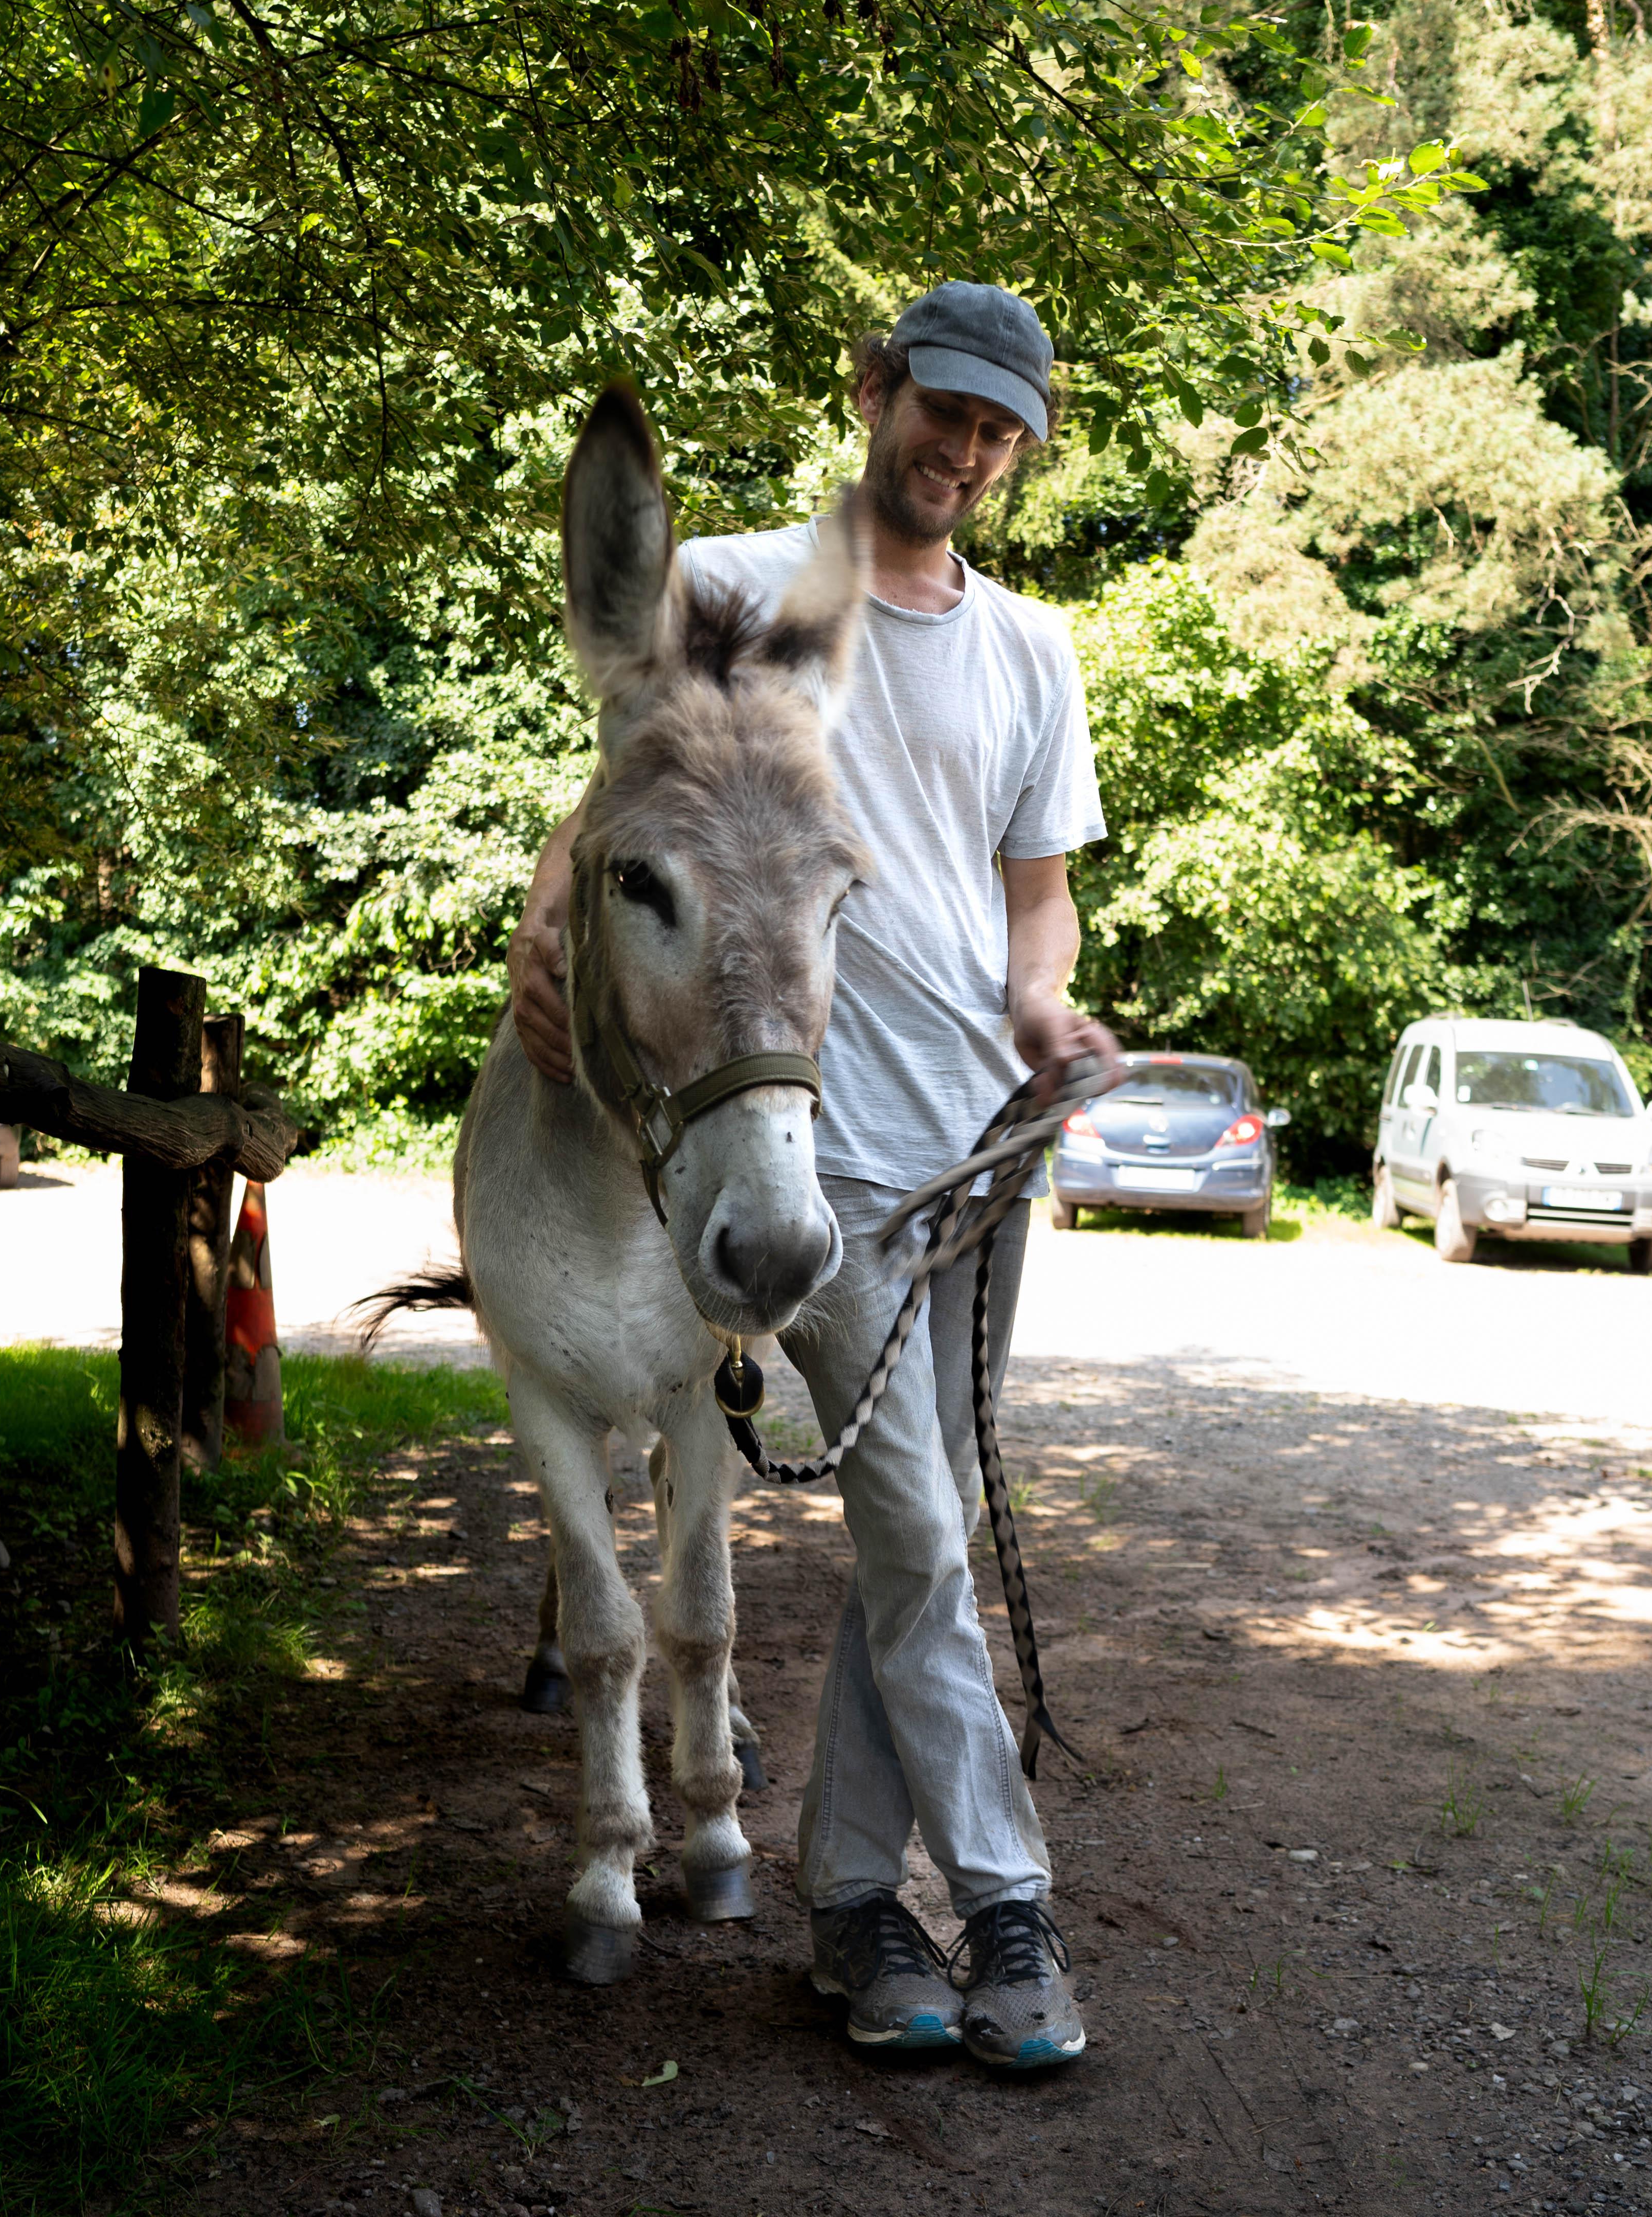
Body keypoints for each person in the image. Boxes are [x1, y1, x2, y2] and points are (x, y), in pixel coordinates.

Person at [509, 281, 1119, 2070]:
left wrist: (1047, 1002)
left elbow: (1036, 893)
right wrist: (554, 914)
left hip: (978, 1154)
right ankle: (1005, 1910)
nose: (966, 448)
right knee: (924, 1533)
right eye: (944, 410)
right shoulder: (750, 593)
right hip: (812, 1138)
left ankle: (854, 1900)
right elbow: (620, 773)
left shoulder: (1032, 649)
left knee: (903, 1542)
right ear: (874, 392)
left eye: (1002, 430)